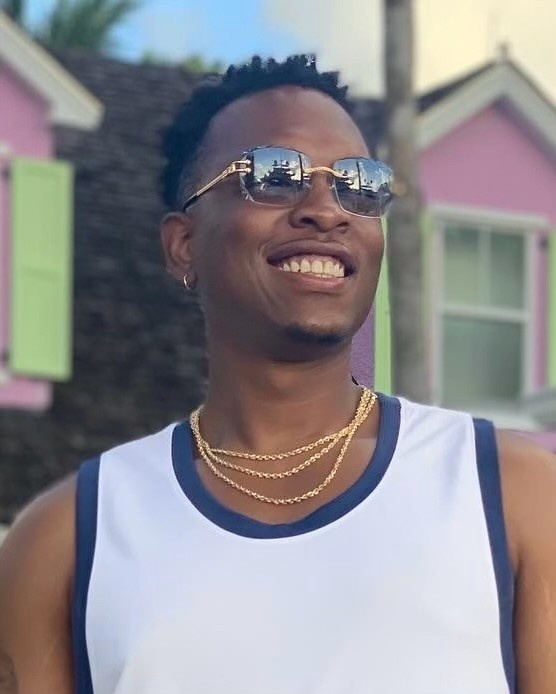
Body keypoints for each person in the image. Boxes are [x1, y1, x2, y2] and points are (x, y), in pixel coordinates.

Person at [0, 54, 555, 694]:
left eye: (359, 183)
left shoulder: (513, 495)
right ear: (183, 244)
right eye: (274, 175)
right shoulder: (68, 540)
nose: (327, 209)